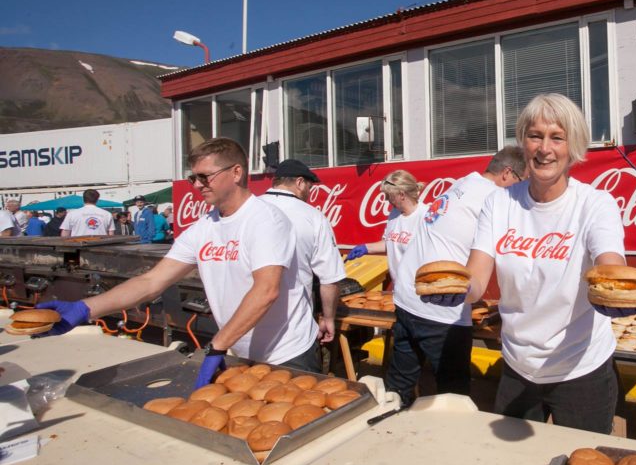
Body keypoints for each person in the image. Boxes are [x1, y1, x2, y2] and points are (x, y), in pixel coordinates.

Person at [38, 138, 323, 385]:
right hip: (240, 350)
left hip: (288, 353)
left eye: (205, 176)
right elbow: (152, 281)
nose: (197, 185)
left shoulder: (266, 220)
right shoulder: (204, 227)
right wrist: (85, 308)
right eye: (193, 178)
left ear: (236, 172)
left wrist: (218, 345)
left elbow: (266, 290)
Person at [459, 94, 636, 434]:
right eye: (535, 136)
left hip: (581, 369)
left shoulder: (595, 204)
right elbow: (476, 279)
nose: (545, 148)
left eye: (557, 137)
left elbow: (609, 264)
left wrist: (621, 295)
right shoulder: (499, 203)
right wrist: (455, 291)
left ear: (573, 147)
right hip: (518, 366)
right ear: (523, 143)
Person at [386, 148, 526, 408]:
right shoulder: (496, 198)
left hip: (406, 294)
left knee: (398, 387)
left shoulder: (464, 182)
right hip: (441, 308)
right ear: (507, 173)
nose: (523, 188)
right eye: (522, 180)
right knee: (454, 396)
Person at [261, 159, 346, 347]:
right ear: (299, 183)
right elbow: (329, 279)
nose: (309, 193)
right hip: (292, 336)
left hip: (240, 333)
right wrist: (328, 318)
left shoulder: (247, 210)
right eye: (309, 186)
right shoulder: (313, 217)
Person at [346, 170, 427, 272]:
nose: (386, 199)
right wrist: (366, 248)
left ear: (402, 194)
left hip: (419, 285)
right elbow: (390, 243)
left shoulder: (426, 216)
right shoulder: (395, 213)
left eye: (389, 195)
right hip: (399, 285)